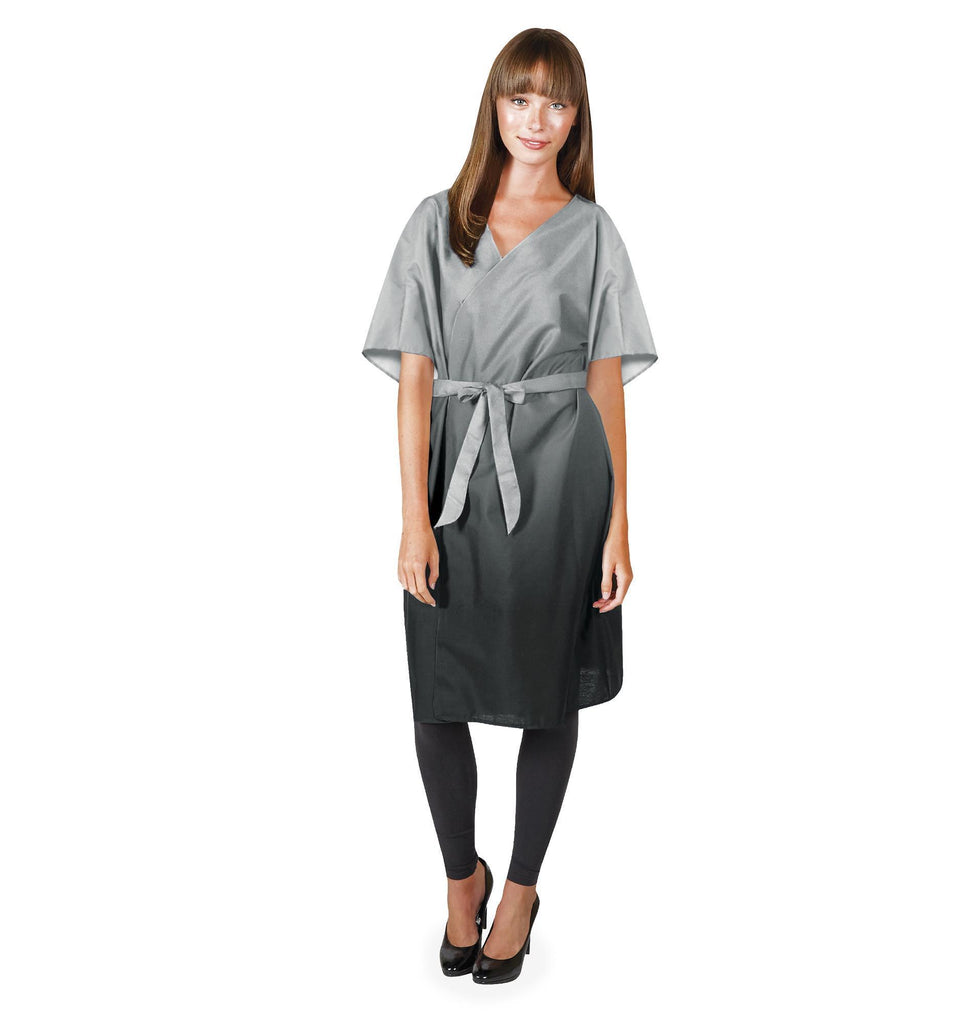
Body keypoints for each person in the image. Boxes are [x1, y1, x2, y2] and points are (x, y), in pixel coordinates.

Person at [362, 27, 658, 984]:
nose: (538, 119)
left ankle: (522, 889)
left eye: (558, 102)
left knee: (546, 688)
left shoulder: (594, 232)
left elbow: (605, 386)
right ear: (494, 105)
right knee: (436, 690)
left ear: (577, 118)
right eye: (521, 98)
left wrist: (619, 522)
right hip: (453, 482)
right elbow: (415, 382)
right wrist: (413, 518)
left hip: (561, 482)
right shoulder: (437, 221)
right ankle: (464, 878)